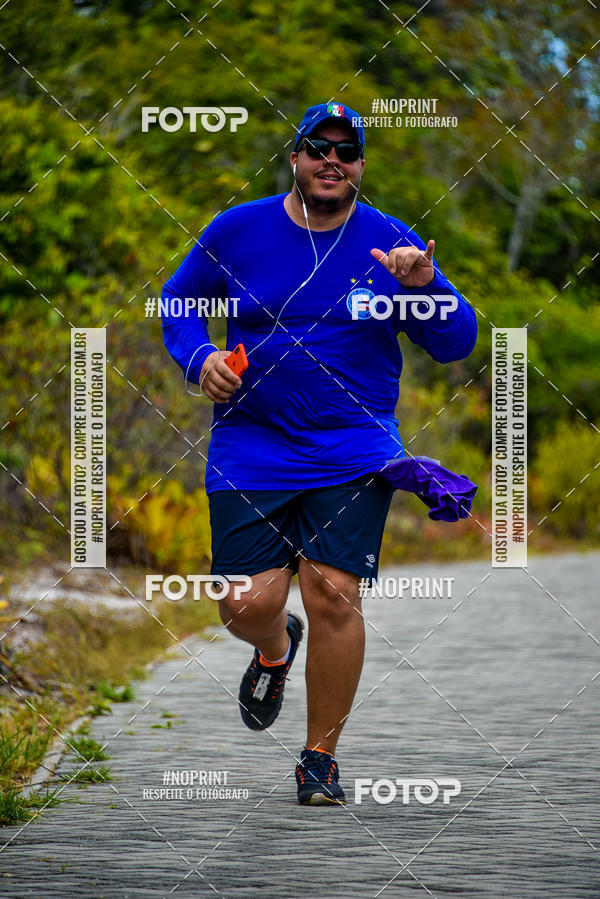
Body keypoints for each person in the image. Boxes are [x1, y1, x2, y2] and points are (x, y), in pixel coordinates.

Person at [161, 102, 477, 805]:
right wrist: (199, 356)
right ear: (296, 156)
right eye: (318, 146)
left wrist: (426, 288)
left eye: (347, 149)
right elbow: (178, 301)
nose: (332, 159)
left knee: (335, 592)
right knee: (247, 600)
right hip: (252, 443)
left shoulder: (395, 243)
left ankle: (320, 759)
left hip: (355, 444)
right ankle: (274, 647)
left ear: (361, 165)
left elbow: (457, 342)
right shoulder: (236, 230)